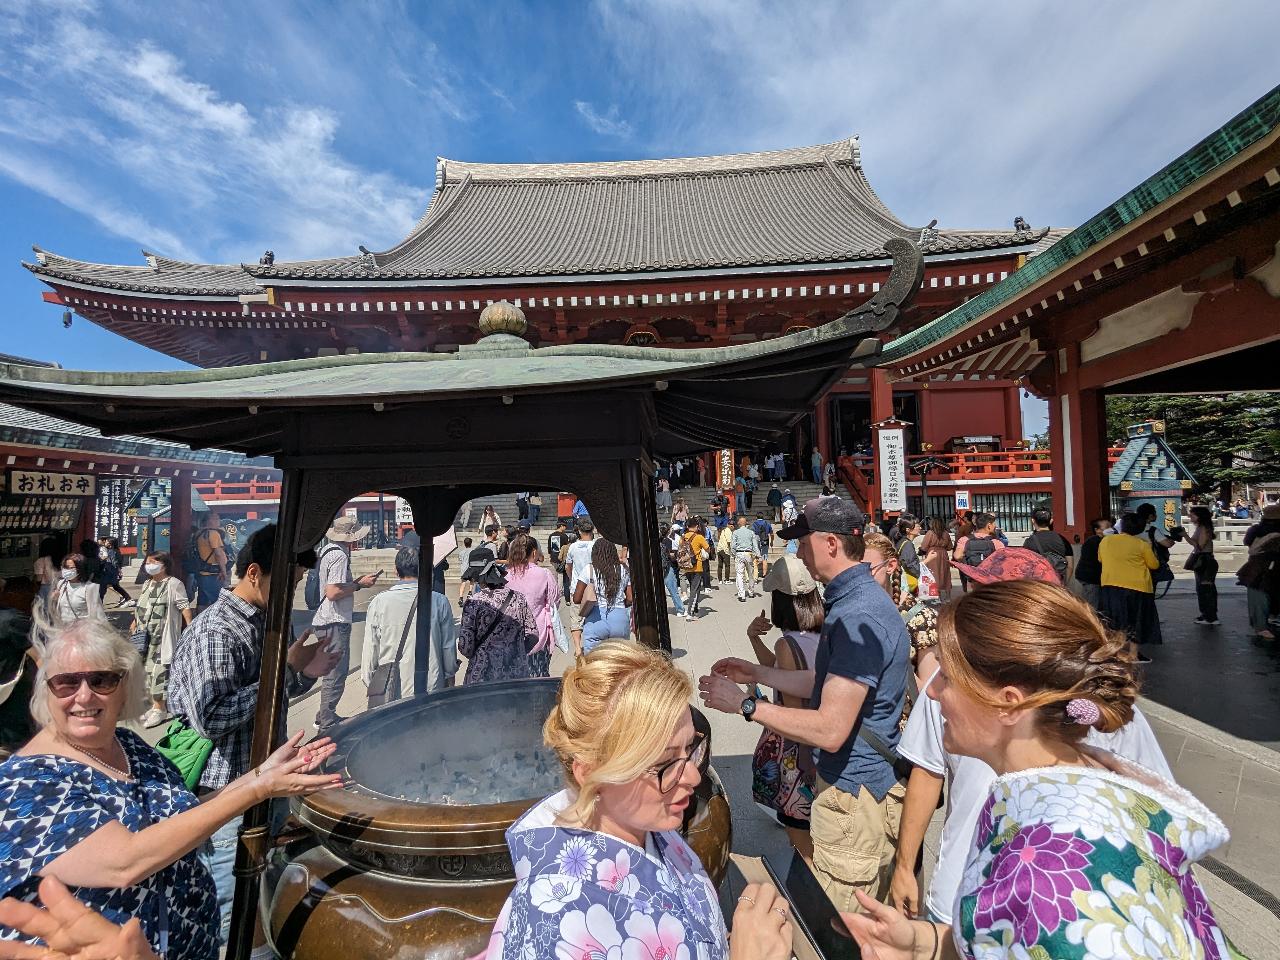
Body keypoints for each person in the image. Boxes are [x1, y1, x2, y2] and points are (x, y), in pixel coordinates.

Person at [845, 579, 1231, 960]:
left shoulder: (1053, 873)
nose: (931, 691)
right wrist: (926, 944)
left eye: (946, 675)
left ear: (1009, 704)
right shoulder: (1045, 793)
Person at [0, 611, 340, 960]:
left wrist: (261, 775)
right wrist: (258, 789)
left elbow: (186, 811)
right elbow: (124, 861)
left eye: (102, 681)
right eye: (67, 683)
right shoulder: (25, 782)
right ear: (47, 690)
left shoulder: (127, 744)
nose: (84, 696)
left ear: (125, 687)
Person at [483, 641, 792, 960]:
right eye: (665, 764)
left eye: (691, 749)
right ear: (592, 775)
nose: (693, 777)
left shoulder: (649, 829)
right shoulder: (556, 921)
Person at [700, 497, 909, 914]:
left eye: (803, 543)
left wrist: (746, 706)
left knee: (846, 926)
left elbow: (831, 726)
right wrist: (757, 673)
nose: (797, 553)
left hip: (855, 794)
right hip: (860, 787)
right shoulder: (853, 603)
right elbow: (824, 683)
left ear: (831, 543)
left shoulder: (856, 615)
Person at [165, 525, 340, 941]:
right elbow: (214, 715)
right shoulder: (217, 631)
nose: (291, 593)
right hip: (225, 797)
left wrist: (301, 672)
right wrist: (286, 672)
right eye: (289, 582)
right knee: (232, 915)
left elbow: (271, 695)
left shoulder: (262, 622)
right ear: (255, 573)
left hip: (263, 785)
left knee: (260, 902)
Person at [746, 556, 823, 863]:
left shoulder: (787, 644)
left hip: (798, 758)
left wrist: (755, 707)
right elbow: (778, 670)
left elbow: (792, 716)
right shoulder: (825, 632)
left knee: (803, 844)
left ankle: (813, 902)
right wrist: (753, 638)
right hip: (827, 740)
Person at [310, 516, 380, 731]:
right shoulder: (339, 556)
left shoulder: (327, 550)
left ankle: (325, 714)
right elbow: (333, 592)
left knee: (332, 670)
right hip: (334, 619)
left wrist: (355, 582)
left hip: (324, 618)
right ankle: (327, 722)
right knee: (336, 671)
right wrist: (360, 585)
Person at [361, 546, 458, 700]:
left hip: (391, 687)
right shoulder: (439, 601)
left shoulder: (379, 602)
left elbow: (371, 647)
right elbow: (448, 646)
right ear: (423, 569)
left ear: (396, 571)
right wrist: (449, 674)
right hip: (431, 682)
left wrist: (371, 680)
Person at [458, 547, 546, 684]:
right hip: (516, 675)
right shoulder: (519, 598)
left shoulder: (473, 603)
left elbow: (465, 646)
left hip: (481, 676)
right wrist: (517, 652)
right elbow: (533, 634)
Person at [127, 552, 193, 729]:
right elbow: (142, 606)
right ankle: (155, 705)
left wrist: (190, 629)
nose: (149, 565)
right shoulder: (147, 584)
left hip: (162, 637)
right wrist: (134, 622)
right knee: (147, 671)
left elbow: (184, 607)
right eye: (147, 562)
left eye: (153, 562)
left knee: (159, 672)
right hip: (144, 637)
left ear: (164, 565)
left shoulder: (174, 584)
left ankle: (160, 708)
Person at [1098, 512, 1161, 663]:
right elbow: (1154, 564)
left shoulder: (1106, 541)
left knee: (1113, 620)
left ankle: (1114, 652)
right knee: (1136, 620)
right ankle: (1133, 654)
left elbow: (1100, 559)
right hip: (1137, 587)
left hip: (1110, 585)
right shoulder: (1141, 544)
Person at [504, 534, 564, 661]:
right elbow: (555, 601)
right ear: (534, 552)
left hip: (510, 637)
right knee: (539, 676)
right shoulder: (544, 574)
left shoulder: (505, 576)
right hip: (538, 635)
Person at [572, 538, 633, 653]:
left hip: (596, 618)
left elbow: (576, 599)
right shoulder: (623, 569)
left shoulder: (589, 569)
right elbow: (630, 598)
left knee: (593, 662)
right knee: (620, 661)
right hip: (620, 618)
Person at [1241, 503, 1280, 640]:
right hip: (1270, 568)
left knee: (1258, 597)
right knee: (1267, 594)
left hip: (1256, 568)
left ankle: (1261, 626)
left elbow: (1249, 545)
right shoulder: (1275, 534)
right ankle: (1268, 621)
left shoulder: (1256, 530)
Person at [952, 512, 1002, 591]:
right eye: (994, 524)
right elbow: (1003, 559)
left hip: (972, 578)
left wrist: (966, 564)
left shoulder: (964, 539)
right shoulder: (996, 542)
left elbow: (957, 556)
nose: (995, 526)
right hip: (990, 579)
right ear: (989, 526)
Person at [1021, 507, 1074, 583]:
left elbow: (1026, 568)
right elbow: (1070, 567)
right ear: (1051, 521)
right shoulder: (1062, 539)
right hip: (1058, 584)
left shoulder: (1029, 542)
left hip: (1039, 586)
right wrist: (1063, 584)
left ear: (1033, 521)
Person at [1187, 505, 1219, 626]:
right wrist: (1184, 535)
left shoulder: (1205, 528)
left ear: (1199, 516)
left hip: (1206, 560)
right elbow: (1195, 544)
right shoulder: (1201, 527)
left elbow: (1199, 546)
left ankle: (1211, 617)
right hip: (1202, 559)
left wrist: (1185, 535)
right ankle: (1206, 614)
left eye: (1192, 514)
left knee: (1206, 589)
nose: (1190, 516)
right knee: (1201, 588)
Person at [47, 554, 104, 623]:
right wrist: (54, 599)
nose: (66, 570)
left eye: (70, 567)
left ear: (80, 569)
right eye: (64, 567)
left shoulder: (89, 587)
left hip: (81, 631)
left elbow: (98, 615)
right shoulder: (61, 584)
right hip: (64, 630)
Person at [190, 514, 228, 609]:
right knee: (217, 601)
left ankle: (200, 621)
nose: (218, 521)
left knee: (202, 600)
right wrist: (223, 571)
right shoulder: (213, 533)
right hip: (212, 573)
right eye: (216, 519)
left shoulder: (199, 534)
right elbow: (218, 554)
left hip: (202, 572)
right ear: (209, 521)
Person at [679, 520, 711, 622]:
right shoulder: (699, 537)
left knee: (696, 589)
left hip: (686, 566)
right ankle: (690, 613)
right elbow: (708, 548)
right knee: (694, 590)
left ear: (688, 526)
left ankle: (696, 610)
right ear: (697, 526)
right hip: (697, 567)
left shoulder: (682, 537)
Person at [1073, 517, 1108, 608]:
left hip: (1091, 577)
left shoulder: (1096, 540)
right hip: (1091, 578)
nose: (1110, 529)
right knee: (1092, 604)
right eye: (1106, 527)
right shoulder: (1095, 541)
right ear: (1097, 530)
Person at [731, 515, 762, 602]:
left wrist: (733, 554)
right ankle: (751, 592)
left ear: (739, 523)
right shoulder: (751, 532)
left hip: (739, 553)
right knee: (750, 574)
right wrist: (758, 556)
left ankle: (742, 594)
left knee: (739, 574)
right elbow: (755, 545)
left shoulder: (735, 532)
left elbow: (733, 546)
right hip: (749, 553)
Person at [919, 518, 952, 598]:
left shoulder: (930, 533)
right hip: (943, 554)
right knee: (945, 574)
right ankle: (948, 597)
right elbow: (950, 547)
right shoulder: (946, 533)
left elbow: (924, 546)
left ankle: (938, 597)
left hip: (932, 554)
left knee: (933, 574)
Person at [659, 523, 687, 618]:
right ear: (668, 531)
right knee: (673, 590)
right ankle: (680, 610)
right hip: (667, 567)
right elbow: (670, 555)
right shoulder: (667, 541)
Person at [96, 539, 132, 608]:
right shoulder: (113, 550)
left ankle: (99, 606)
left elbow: (114, 561)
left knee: (104, 587)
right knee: (114, 586)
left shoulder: (111, 551)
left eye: (106, 541)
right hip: (110, 572)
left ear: (110, 544)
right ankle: (127, 598)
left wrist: (118, 570)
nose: (104, 542)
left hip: (109, 572)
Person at [32, 537, 61, 606]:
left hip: (46, 589)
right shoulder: (61, 560)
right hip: (60, 587)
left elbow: (39, 579)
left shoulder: (40, 561)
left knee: (45, 611)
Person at [752, 512, 775, 577]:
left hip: (756, 540)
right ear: (763, 517)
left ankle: (755, 573)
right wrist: (772, 541)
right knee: (764, 557)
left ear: (756, 517)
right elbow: (772, 533)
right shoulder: (767, 523)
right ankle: (764, 574)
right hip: (765, 540)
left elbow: (752, 533)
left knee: (756, 556)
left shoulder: (754, 523)